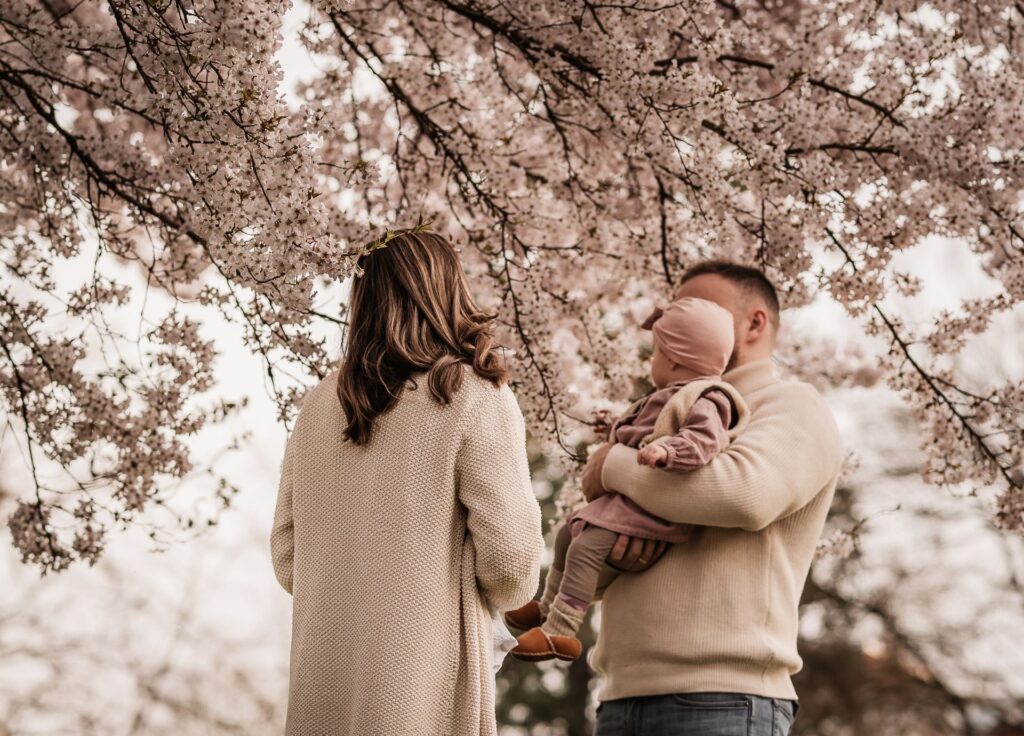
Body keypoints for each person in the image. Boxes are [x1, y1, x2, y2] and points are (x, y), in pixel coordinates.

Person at [269, 230, 545, 736]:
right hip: (420, 688)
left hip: (323, 682)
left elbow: (289, 559)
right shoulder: (473, 394)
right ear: (448, 291)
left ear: (363, 301)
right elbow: (511, 568)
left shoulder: (319, 404)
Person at [582, 261, 843, 736]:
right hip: (619, 700)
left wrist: (612, 465)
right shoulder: (660, 415)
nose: (680, 321)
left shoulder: (792, 406)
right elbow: (597, 558)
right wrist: (615, 556)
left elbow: (745, 495)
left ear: (755, 323)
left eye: (702, 308)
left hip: (725, 700)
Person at [503, 297, 750, 662]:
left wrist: (670, 451)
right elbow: (644, 431)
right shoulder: (670, 396)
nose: (652, 361)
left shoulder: (707, 398)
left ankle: (562, 630)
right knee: (567, 533)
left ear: (674, 358)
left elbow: (705, 439)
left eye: (655, 352)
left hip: (654, 508)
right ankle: (546, 606)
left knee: (587, 546)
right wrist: (616, 424)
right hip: (631, 501)